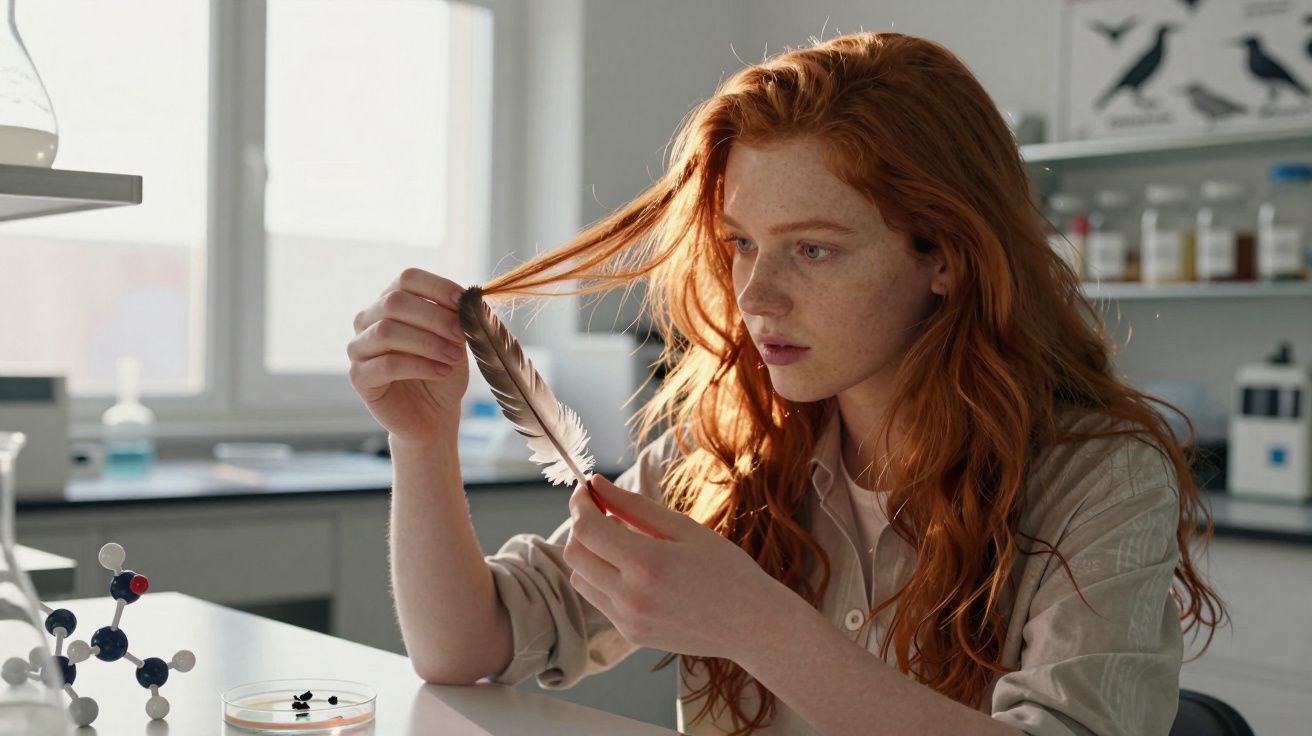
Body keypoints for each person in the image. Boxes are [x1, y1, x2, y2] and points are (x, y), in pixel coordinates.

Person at [347, 31, 1225, 736]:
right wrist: (421, 440)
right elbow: (467, 647)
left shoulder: (1099, 478)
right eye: (740, 245)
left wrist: (756, 624)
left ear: (946, 258)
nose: (756, 298)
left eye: (813, 249)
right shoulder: (724, 447)